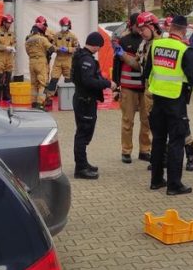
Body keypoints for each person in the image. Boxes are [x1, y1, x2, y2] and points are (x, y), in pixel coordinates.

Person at [144, 15, 193, 195]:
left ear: (171, 28)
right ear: (184, 31)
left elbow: (147, 72)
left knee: (158, 141)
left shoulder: (156, 45)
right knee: (176, 142)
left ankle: (156, 180)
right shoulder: (184, 49)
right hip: (176, 102)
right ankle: (174, 185)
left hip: (157, 100)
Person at [71, 32, 116, 179]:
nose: (99, 50)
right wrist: (107, 83)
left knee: (83, 133)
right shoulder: (87, 60)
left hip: (83, 99)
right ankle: (80, 168)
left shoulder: (80, 56)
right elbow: (89, 81)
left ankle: (83, 163)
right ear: (96, 45)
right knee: (83, 134)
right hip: (85, 101)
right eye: (100, 47)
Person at [114, 13, 152, 163]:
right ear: (131, 25)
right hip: (128, 87)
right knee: (127, 121)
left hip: (145, 88)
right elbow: (117, 63)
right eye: (138, 26)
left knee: (146, 121)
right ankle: (126, 151)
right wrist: (116, 84)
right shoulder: (124, 41)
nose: (140, 29)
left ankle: (144, 150)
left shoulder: (147, 42)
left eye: (142, 27)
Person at [45, 16, 79, 101]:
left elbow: (77, 48)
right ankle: (48, 98)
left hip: (68, 60)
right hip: (58, 60)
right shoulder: (56, 35)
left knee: (69, 80)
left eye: (66, 26)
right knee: (54, 79)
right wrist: (58, 49)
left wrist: (68, 49)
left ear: (69, 26)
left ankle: (69, 98)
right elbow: (52, 46)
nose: (64, 27)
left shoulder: (72, 36)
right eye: (63, 25)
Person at [25, 16, 54, 110]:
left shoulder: (28, 40)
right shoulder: (42, 39)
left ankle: (33, 103)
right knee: (42, 84)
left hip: (31, 62)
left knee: (33, 84)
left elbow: (27, 51)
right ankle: (40, 104)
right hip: (41, 62)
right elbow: (51, 49)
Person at [0, 14, 16, 103]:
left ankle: (6, 95)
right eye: (8, 23)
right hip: (0, 56)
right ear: (4, 22)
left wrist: (13, 47)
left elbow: (14, 41)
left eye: (10, 23)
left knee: (8, 76)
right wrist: (5, 47)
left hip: (9, 57)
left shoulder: (11, 33)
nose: (9, 25)